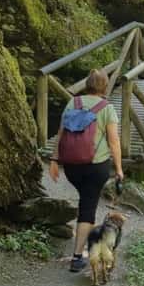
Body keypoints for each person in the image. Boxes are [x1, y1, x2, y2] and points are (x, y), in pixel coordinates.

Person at [49, 69, 124, 273]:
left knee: (85, 201)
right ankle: (77, 257)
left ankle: (84, 244)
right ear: (105, 86)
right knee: (88, 209)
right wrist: (119, 168)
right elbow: (114, 141)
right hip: (95, 166)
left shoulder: (73, 103)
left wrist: (55, 159)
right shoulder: (107, 108)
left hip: (72, 166)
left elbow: (61, 133)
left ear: (86, 84)